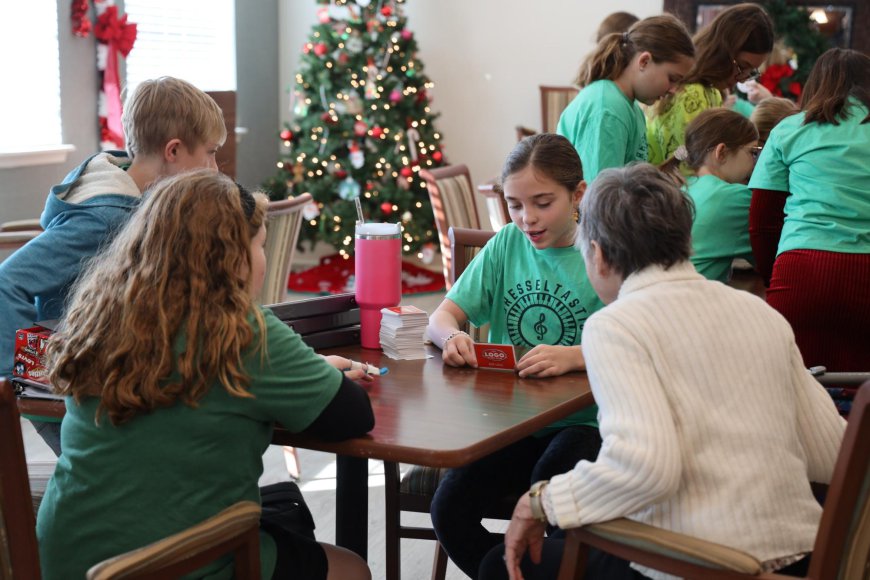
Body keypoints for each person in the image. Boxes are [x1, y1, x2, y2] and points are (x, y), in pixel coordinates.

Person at [478, 163, 845, 580]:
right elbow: (830, 453)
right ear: (684, 238)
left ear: (596, 254)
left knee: (501, 566)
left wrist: (542, 501)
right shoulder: (759, 312)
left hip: (699, 564)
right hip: (803, 560)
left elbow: (645, 468)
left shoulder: (616, 327)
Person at [36, 171, 375, 580]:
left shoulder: (100, 311)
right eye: (261, 246)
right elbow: (354, 416)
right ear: (233, 257)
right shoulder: (240, 329)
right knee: (351, 568)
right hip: (167, 563)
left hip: (65, 557)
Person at [0, 76, 226, 455]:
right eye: (211, 152)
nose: (216, 168)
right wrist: (37, 382)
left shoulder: (139, 203)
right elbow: (7, 284)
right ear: (173, 150)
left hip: (114, 373)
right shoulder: (106, 218)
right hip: (78, 388)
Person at [425, 133, 605, 578]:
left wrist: (575, 356)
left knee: (551, 501)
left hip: (585, 424)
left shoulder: (602, 252)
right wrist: (451, 338)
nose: (527, 219)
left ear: (578, 193)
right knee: (448, 506)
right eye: (515, 205)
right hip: (510, 423)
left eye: (543, 203)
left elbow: (639, 339)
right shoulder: (507, 243)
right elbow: (441, 316)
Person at [748, 48, 870, 372]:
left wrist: (774, 276)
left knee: (790, 386)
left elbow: (762, 222)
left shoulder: (789, 130)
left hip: (802, 272)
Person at [558, 14, 694, 182]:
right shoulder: (607, 109)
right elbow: (598, 198)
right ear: (644, 61)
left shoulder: (632, 108)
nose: (674, 90)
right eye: (672, 79)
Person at [647, 3, 774, 165]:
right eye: (742, 66)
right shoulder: (693, 94)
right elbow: (690, 169)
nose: (743, 78)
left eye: (751, 72)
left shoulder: (711, 92)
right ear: (722, 51)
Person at [659, 107, 760, 282]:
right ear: (721, 152)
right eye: (753, 152)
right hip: (692, 302)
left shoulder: (683, 187)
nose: (756, 163)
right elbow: (772, 262)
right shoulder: (735, 197)